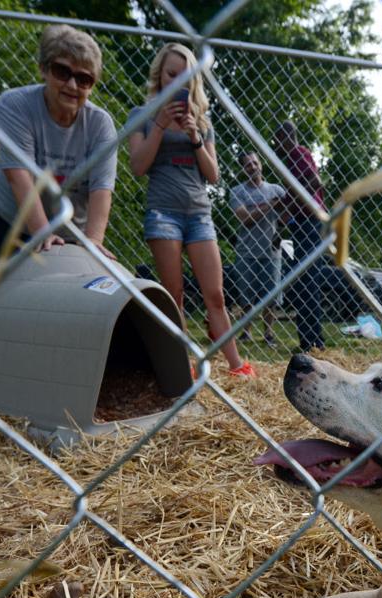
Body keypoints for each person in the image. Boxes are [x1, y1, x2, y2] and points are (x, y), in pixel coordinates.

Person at [127, 43, 254, 378]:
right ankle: (183, 367)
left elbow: (213, 175)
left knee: (215, 294)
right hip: (162, 214)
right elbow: (137, 166)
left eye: (185, 76)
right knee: (175, 296)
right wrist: (158, 124)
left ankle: (236, 366)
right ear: (159, 75)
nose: (178, 82)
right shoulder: (140, 115)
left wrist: (195, 135)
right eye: (171, 74)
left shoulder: (202, 120)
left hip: (199, 215)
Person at [0, 24, 117, 257]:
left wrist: (93, 241)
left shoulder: (101, 125)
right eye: (62, 72)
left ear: (92, 86)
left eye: (83, 79)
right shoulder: (15, 105)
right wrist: (42, 232)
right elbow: (18, 175)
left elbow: (101, 189)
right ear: (43, 70)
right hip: (10, 216)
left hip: (70, 228)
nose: (72, 85)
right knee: (4, 287)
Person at [272, 121, 326, 353]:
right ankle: (311, 339)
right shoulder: (293, 158)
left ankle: (312, 340)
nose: (276, 146)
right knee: (305, 280)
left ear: (286, 137)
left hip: (310, 222)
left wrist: (290, 202)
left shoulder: (297, 153)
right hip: (304, 223)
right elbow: (298, 191)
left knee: (307, 280)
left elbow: (314, 182)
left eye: (277, 140)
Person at [229, 151, 287, 347]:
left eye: (255, 162)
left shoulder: (276, 190)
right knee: (247, 296)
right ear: (243, 169)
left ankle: (268, 334)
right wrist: (270, 206)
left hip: (271, 252)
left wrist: (282, 221)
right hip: (246, 252)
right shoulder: (237, 192)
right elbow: (245, 218)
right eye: (248, 165)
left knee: (270, 297)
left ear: (261, 164)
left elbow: (288, 215)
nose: (252, 167)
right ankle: (246, 333)